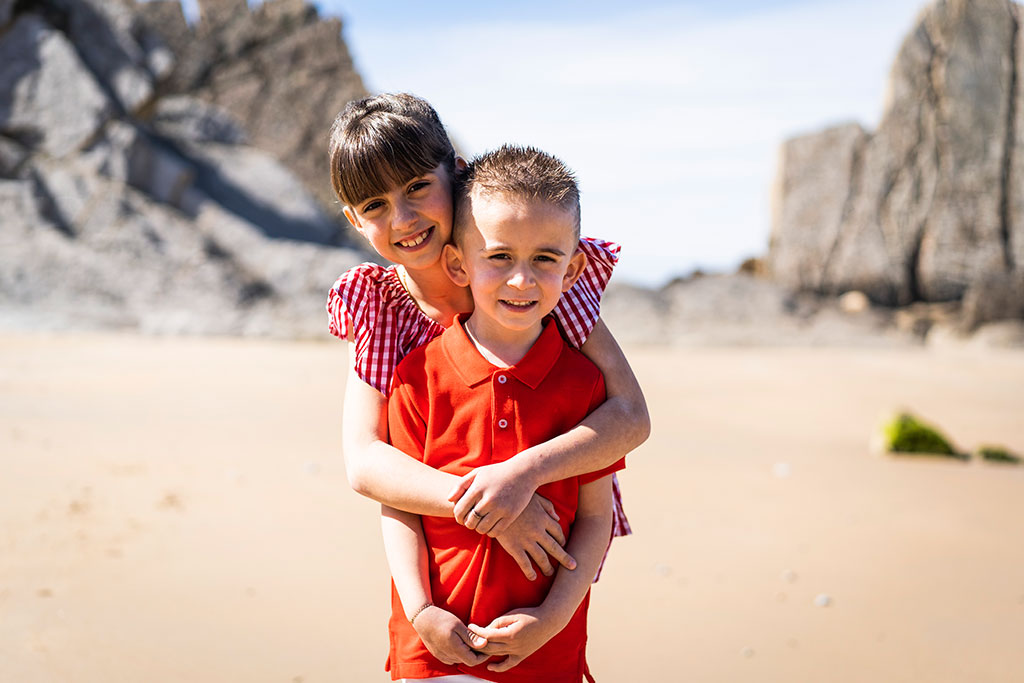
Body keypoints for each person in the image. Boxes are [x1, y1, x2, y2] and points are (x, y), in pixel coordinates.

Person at [325, 93, 649, 656]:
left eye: (417, 188)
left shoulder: (530, 277)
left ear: (454, 170)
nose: (402, 219)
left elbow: (631, 415)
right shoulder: (381, 309)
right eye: (374, 205)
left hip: (556, 545)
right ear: (354, 220)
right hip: (446, 562)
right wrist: (500, 508)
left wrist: (525, 475)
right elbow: (366, 461)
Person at [383, 144, 624, 682]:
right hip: (432, 647)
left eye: (545, 258)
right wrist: (422, 612)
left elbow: (594, 518)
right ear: (458, 263)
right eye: (499, 257)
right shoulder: (417, 375)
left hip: (543, 650)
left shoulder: (584, 385)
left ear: (575, 267)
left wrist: (551, 619)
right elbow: (398, 509)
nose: (522, 280)